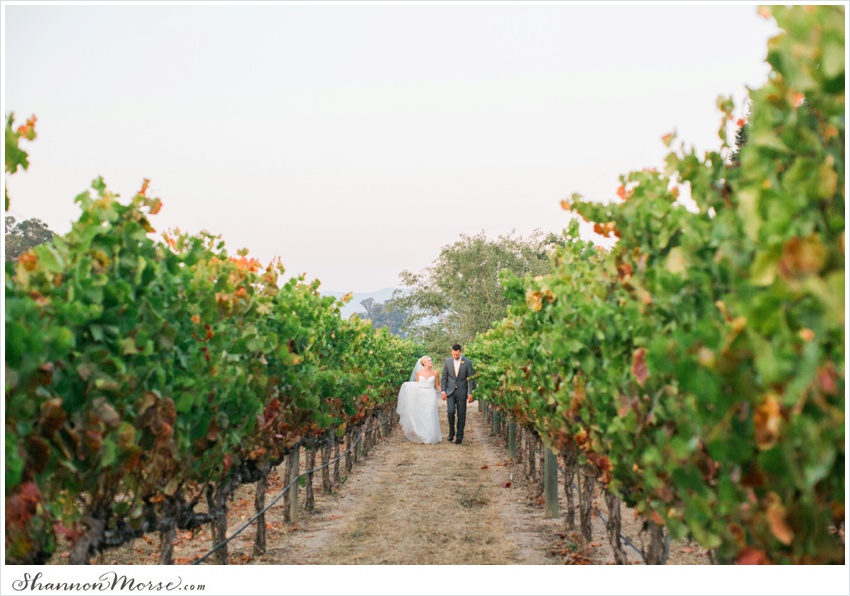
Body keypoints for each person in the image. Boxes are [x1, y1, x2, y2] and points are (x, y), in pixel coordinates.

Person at [396, 356, 442, 444]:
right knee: (423, 414)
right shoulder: (419, 373)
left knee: (430, 413)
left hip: (431, 394)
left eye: (431, 360)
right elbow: (417, 385)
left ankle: (431, 436)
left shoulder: (435, 373)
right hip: (422, 395)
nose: (431, 362)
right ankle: (424, 434)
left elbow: (437, 385)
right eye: (429, 361)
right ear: (424, 363)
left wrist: (443, 392)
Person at [440, 344, 475, 445]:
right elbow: (444, 377)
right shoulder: (447, 361)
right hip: (450, 391)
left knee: (461, 414)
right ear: (451, 352)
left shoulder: (467, 362)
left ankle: (460, 436)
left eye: (457, 354)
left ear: (460, 352)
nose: (455, 356)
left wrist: (470, 393)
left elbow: (471, 379)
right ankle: (451, 432)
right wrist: (443, 391)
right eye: (454, 354)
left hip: (462, 391)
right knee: (450, 412)